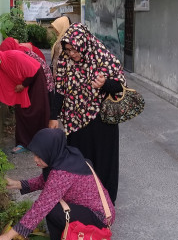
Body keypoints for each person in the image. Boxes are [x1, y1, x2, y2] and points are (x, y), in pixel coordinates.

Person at [0, 128, 115, 240]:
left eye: (40, 156)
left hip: (99, 217)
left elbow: (40, 207)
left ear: (51, 152)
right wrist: (17, 184)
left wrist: (7, 237)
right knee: (52, 204)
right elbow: (47, 181)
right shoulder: (66, 157)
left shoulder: (62, 173)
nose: (35, 159)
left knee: (52, 210)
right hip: (100, 209)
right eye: (35, 154)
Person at [49, 23, 125, 204]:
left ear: (84, 44)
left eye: (75, 49)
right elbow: (59, 90)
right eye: (68, 50)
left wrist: (104, 84)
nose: (72, 54)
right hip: (75, 123)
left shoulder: (104, 58)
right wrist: (53, 116)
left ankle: (105, 205)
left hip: (102, 123)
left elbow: (121, 88)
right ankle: (81, 202)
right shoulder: (64, 62)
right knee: (79, 162)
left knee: (103, 163)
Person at [0, 45, 49, 154]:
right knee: (21, 112)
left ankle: (41, 142)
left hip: (35, 80)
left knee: (37, 110)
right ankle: (23, 143)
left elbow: (34, 70)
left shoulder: (13, 56)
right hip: (22, 85)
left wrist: (23, 85)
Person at [0, 37, 54, 103]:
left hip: (43, 78)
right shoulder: (19, 50)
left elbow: (32, 72)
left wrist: (23, 85)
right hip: (41, 75)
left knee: (39, 104)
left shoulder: (19, 54)